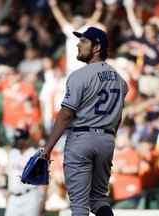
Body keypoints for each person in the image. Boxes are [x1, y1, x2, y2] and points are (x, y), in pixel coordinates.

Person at [44, 27, 128, 216]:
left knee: (80, 205)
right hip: (107, 140)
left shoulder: (79, 76)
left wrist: (47, 149)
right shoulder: (121, 80)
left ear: (97, 47)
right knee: (99, 199)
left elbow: (65, 114)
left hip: (82, 138)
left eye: (84, 41)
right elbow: (118, 117)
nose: (78, 44)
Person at [5, 129, 47, 216]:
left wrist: (43, 202)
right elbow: (10, 177)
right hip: (13, 197)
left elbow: (43, 180)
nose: (18, 142)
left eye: (20, 139)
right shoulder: (12, 153)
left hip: (30, 196)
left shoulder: (36, 154)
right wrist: (8, 196)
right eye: (17, 139)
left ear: (27, 139)